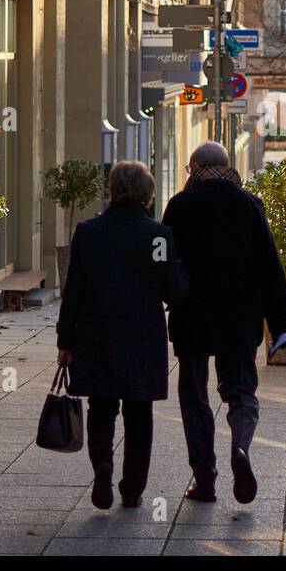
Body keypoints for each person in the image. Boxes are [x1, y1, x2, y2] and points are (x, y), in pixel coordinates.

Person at [162, 141, 286, 504]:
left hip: (193, 317)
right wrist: (280, 321)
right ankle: (241, 447)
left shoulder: (179, 206)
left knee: (194, 393)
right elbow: (271, 264)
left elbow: (164, 261)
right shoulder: (249, 204)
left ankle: (204, 478)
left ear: (195, 167)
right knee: (240, 391)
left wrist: (161, 296)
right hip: (240, 319)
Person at [56, 161, 188, 510]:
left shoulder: (88, 233)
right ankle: (132, 488)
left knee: (101, 407)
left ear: (112, 190)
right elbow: (172, 290)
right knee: (139, 412)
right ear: (148, 193)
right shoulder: (158, 236)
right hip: (142, 336)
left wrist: (65, 341)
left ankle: (102, 466)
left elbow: (74, 292)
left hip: (96, 333)